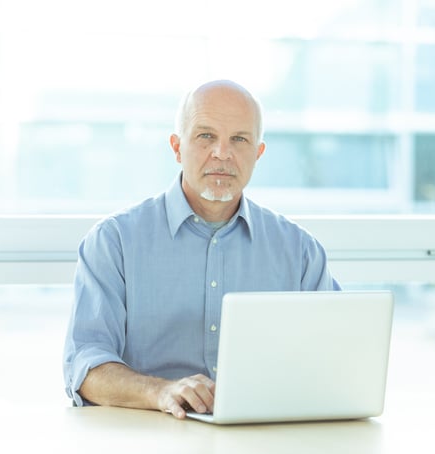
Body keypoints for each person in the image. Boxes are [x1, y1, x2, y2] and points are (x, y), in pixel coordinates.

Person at [63, 79, 341, 419]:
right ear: (177, 147)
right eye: (206, 136)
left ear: (258, 152)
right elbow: (86, 367)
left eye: (239, 139)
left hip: (265, 442)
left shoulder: (300, 253)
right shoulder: (114, 241)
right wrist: (160, 391)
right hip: (148, 443)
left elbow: (337, 360)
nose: (222, 153)